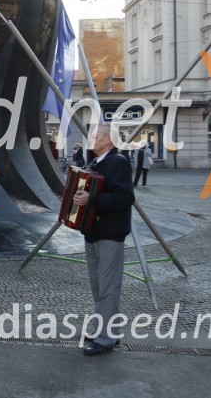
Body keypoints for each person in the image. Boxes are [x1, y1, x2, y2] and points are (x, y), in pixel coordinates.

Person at [72, 123, 135, 356]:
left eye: (95, 135)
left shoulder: (118, 162)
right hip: (93, 231)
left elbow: (125, 198)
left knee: (108, 287)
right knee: (99, 286)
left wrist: (91, 198)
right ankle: (106, 330)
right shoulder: (96, 163)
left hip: (110, 233)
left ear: (108, 140)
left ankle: (106, 338)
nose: (91, 138)